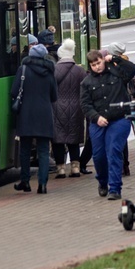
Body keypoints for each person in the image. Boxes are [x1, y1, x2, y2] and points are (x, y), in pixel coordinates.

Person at [79, 48, 135, 201]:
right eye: (93, 65)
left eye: (99, 63)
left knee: (113, 150)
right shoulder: (87, 82)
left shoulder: (116, 73)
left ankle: (115, 188)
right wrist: (96, 117)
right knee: (98, 156)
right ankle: (103, 182)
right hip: (98, 122)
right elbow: (85, 105)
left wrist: (115, 58)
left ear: (103, 60)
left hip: (119, 119)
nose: (97, 67)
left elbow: (133, 69)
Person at [11, 43, 58, 194]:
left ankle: (25, 182)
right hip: (44, 114)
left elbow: (14, 91)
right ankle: (42, 184)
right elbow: (54, 96)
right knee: (43, 151)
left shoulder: (23, 69)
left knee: (25, 149)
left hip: (26, 114)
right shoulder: (49, 71)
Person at [51, 39, 87, 178]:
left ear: (60, 55)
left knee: (58, 139)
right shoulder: (80, 71)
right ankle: (75, 167)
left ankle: (60, 168)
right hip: (76, 107)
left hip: (56, 107)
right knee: (74, 138)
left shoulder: (53, 70)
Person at [107, 41, 135, 177]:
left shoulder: (121, 67)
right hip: (119, 105)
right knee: (120, 138)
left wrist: (115, 59)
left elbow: (133, 68)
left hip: (123, 105)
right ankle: (123, 165)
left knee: (119, 138)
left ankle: (123, 165)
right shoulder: (113, 66)